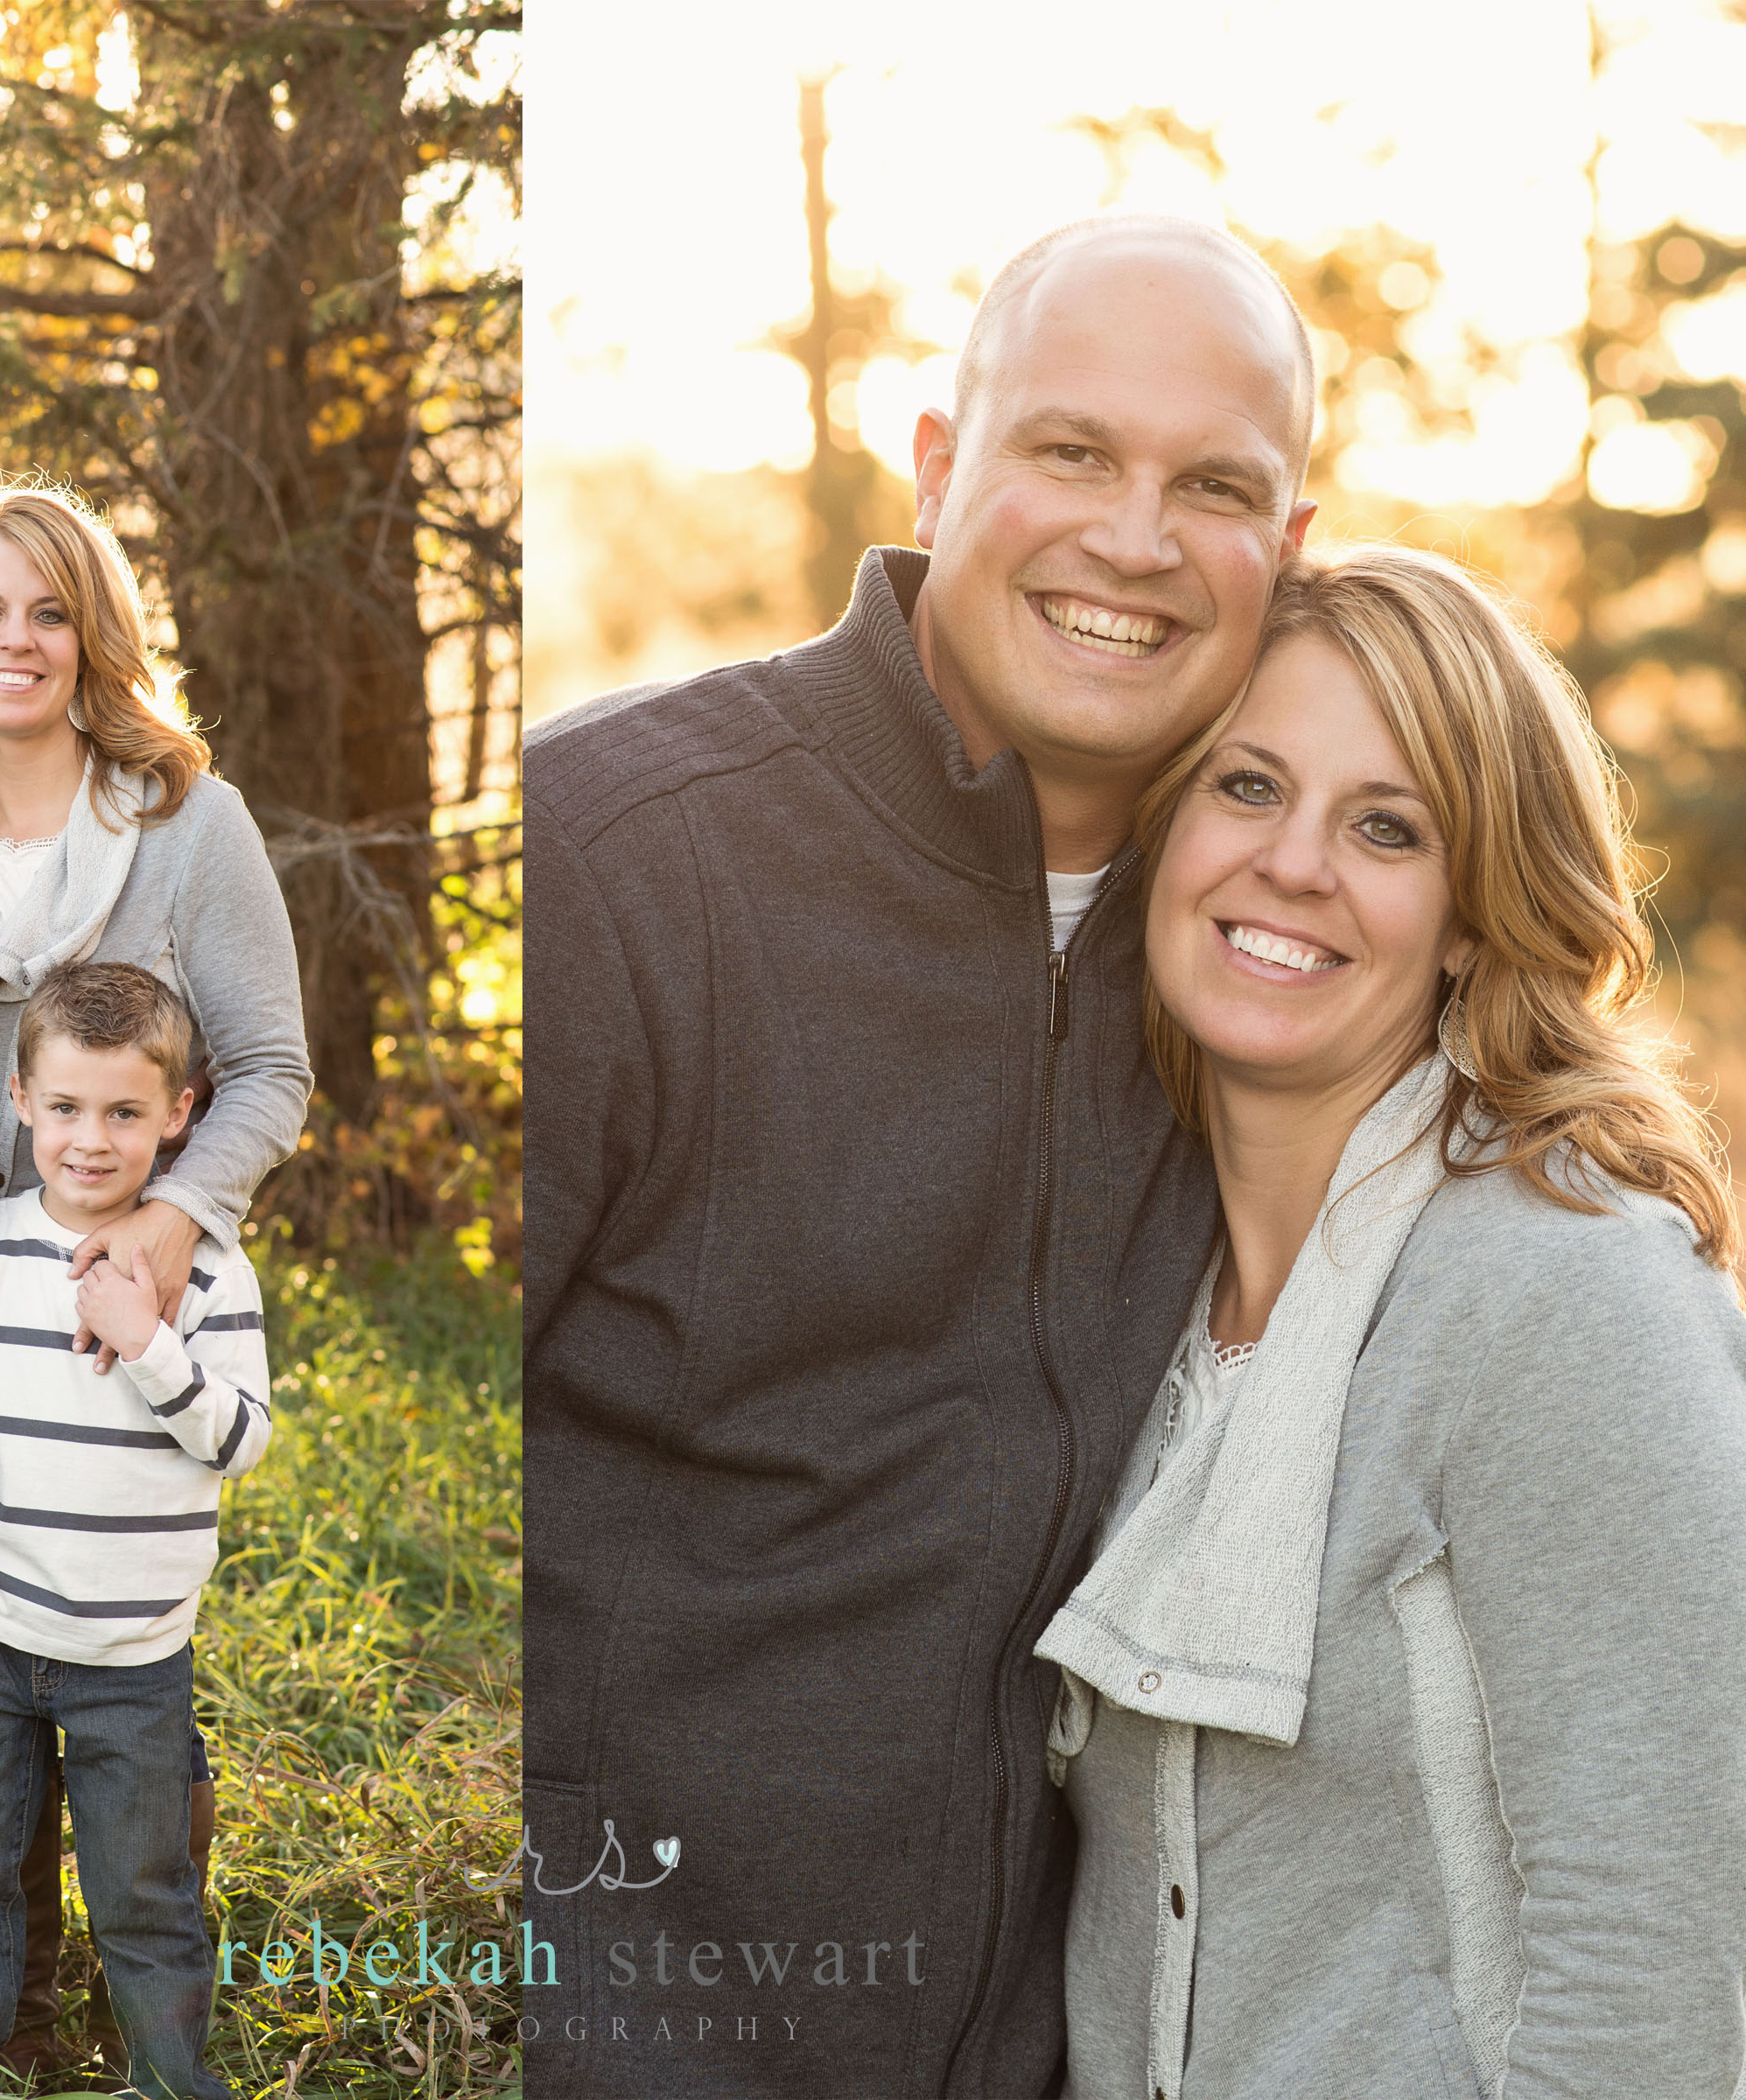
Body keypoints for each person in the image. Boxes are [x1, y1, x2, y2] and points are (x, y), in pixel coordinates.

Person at [522, 214, 1315, 2098]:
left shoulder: (1279, 956)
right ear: (943, 461)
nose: (1134, 537)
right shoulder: (618, 860)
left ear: (1289, 551)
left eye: (1213, 485)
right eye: (1070, 451)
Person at [1041, 545, 1746, 2098]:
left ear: (1479, 917)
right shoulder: (1117, 1291)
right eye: (1246, 788)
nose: (1295, 864)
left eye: (1387, 827)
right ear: (1165, 840)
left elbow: (1664, 1961)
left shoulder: (1573, 1291)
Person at [0, 478, 310, 2077]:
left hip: (129, 1295)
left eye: (49, 609)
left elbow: (269, 1066)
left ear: (95, 634)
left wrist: (171, 1223)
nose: (16, 640)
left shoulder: (188, 821)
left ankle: (145, 1988)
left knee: (121, 1662)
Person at [0, 960, 268, 2100]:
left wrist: (148, 1345)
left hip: (134, 1657)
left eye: (123, 1113)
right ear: (17, 1100)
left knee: (141, 1883)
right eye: (64, 1108)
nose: (90, 1140)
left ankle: (164, 2071)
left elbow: (241, 1439)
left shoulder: (205, 1269)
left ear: (179, 1115)